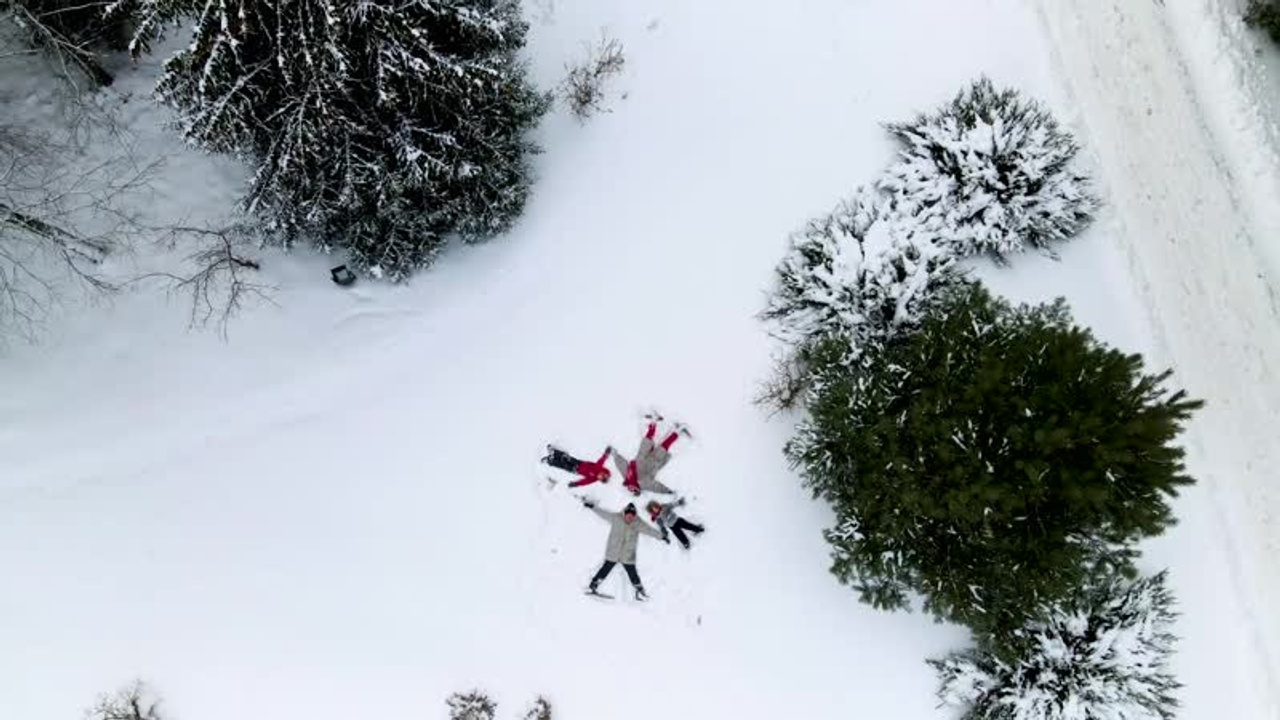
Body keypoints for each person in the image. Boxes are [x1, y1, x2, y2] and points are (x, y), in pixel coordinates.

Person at [583, 500, 667, 599]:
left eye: (632, 516)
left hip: (627, 554)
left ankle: (640, 591)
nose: (630, 518)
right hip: (614, 551)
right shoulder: (616, 518)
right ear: (625, 513)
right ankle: (593, 585)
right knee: (605, 569)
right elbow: (603, 514)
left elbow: (649, 530)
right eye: (628, 516)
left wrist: (662, 537)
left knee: (633, 573)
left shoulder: (638, 523)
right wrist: (592, 507)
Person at [611, 414, 690, 496]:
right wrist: (667, 491)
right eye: (634, 489)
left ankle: (655, 421)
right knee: (664, 445)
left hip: (642, 457)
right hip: (653, 461)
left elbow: (621, 465)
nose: (632, 487)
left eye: (631, 488)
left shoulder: (627, 478)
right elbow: (656, 487)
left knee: (649, 440)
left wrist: (615, 455)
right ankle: (678, 430)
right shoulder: (641, 484)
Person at [541, 444, 612, 488]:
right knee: (566, 457)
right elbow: (601, 461)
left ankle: (549, 461)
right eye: (602, 476)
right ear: (603, 474)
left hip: (575, 470)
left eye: (600, 478)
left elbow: (584, 482)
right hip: (580, 463)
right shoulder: (599, 468)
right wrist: (606, 454)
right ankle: (553, 452)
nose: (599, 476)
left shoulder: (593, 479)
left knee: (563, 464)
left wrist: (576, 484)